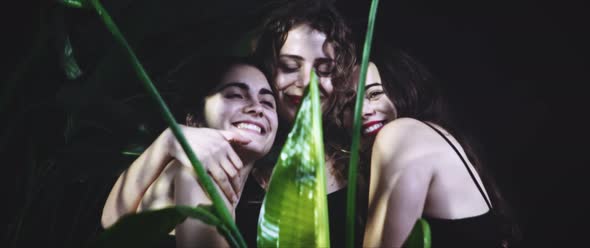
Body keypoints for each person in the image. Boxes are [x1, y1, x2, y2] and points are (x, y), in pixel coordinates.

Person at [336, 43, 520, 247]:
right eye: (348, 104)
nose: (362, 111)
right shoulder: (434, 136)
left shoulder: (401, 134)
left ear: (403, 90)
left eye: (374, 94)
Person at [101, 55, 279, 247]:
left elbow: (113, 225)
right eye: (235, 95)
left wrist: (169, 139)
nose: (257, 108)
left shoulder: (256, 199)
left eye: (267, 102)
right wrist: (170, 138)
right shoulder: (197, 170)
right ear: (194, 120)